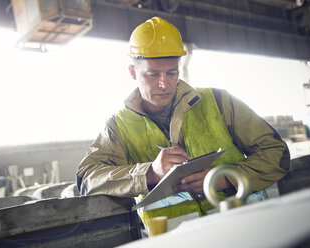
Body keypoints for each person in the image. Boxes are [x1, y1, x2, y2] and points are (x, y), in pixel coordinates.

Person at [76, 16, 290, 229]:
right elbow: (87, 180)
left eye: (172, 73)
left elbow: (277, 153)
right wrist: (150, 173)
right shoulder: (117, 127)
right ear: (133, 72)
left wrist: (224, 179)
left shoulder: (219, 102)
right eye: (153, 74)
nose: (164, 83)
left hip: (246, 228)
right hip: (177, 239)